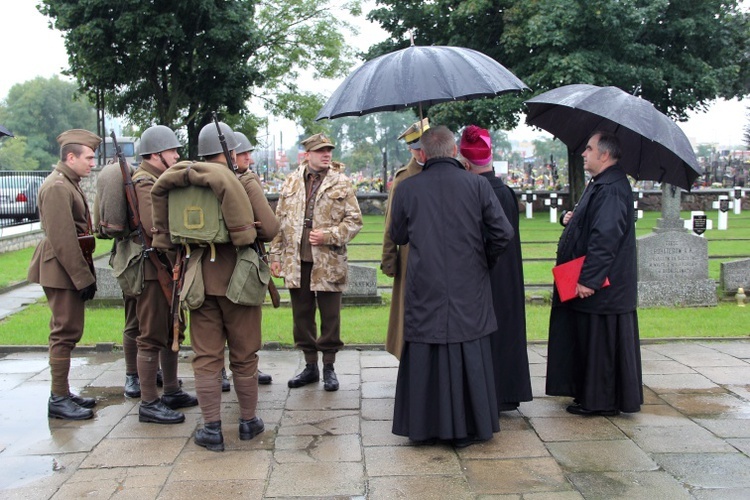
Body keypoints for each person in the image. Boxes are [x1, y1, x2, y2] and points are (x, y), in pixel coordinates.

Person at [155, 121, 279, 451]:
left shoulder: (182, 183)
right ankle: (248, 421)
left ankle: (211, 428)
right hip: (239, 276)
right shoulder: (243, 181)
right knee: (244, 353)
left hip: (198, 278)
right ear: (231, 152)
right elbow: (269, 228)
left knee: (206, 357)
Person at [389, 125, 514, 447]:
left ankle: (425, 426)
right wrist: (482, 260)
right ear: (454, 151)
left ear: (424, 154)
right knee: (466, 346)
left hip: (426, 284)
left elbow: (399, 235)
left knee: (428, 349)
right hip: (467, 284)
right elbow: (502, 233)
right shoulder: (477, 185)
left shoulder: (407, 189)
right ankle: (467, 427)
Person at [545, 131, 642, 416]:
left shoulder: (611, 187)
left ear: (604, 155)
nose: (583, 153)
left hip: (604, 287)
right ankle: (591, 395)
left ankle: (600, 401)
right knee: (588, 341)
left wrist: (590, 279)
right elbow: (593, 225)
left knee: (600, 344)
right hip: (595, 281)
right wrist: (571, 220)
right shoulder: (601, 183)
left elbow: (606, 237)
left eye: (589, 149)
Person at [269, 133, 363, 392]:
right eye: (321, 150)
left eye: (329, 150)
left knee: (330, 317)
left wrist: (329, 235)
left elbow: (355, 221)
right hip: (297, 261)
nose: (326, 154)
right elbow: (279, 222)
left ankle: (329, 368)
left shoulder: (341, 183)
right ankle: (310, 366)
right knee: (301, 317)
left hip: (328, 261)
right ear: (307, 154)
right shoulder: (291, 182)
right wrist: (274, 256)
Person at [28, 129, 101, 420]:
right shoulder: (58, 186)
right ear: (70, 157)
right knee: (64, 331)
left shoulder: (68, 182)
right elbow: (62, 238)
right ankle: (58, 398)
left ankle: (63, 392)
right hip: (61, 268)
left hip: (66, 267)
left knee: (69, 330)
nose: (92, 163)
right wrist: (82, 278)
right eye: (89, 158)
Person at [459, 125, 532, 412]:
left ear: (465, 163)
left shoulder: (475, 192)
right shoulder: (506, 192)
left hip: (486, 273)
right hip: (508, 276)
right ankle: (507, 391)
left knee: (487, 334)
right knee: (507, 331)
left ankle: (488, 392)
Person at [131, 125, 198, 424]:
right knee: (151, 335)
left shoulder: (157, 178)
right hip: (151, 269)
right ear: (157, 154)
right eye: (173, 151)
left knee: (172, 327)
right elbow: (154, 225)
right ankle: (149, 402)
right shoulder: (145, 182)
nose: (177, 155)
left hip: (166, 266)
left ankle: (170, 390)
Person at [381, 118, 428, 360]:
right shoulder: (403, 178)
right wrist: (389, 261)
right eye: (417, 147)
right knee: (408, 313)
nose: (422, 151)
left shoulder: (449, 170)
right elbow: (391, 224)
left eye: (425, 145)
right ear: (410, 149)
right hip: (411, 256)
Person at [234, 131, 272, 387]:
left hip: (215, 262)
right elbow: (268, 227)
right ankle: (247, 370)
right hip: (245, 257)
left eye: (249, 152)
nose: (249, 157)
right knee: (246, 321)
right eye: (243, 153)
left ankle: (228, 373)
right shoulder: (247, 181)